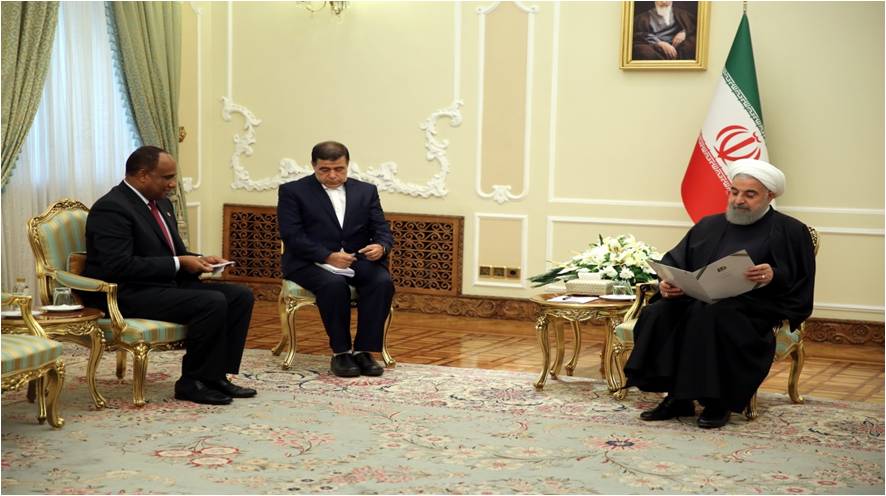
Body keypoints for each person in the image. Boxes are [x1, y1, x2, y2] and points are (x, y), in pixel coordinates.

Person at [623, 159, 815, 428]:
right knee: (659, 312)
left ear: (770, 196)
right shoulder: (709, 224)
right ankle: (677, 397)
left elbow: (800, 277)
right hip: (698, 299)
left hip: (753, 306)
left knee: (711, 314)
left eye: (749, 194)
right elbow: (676, 261)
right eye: (734, 192)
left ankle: (717, 401)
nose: (739, 200)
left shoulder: (790, 230)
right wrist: (667, 283)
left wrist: (774, 274)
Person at [83, 146, 256, 405]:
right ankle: (191, 383)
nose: (173, 184)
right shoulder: (111, 208)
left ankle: (216, 376)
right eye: (167, 177)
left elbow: (173, 252)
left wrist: (200, 259)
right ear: (143, 175)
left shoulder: (161, 203)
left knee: (240, 296)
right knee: (211, 302)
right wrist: (179, 263)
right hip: (125, 293)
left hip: (161, 284)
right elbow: (117, 266)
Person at [277, 141, 394, 378]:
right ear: (313, 165)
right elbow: (292, 235)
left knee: (381, 281)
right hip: (309, 262)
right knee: (333, 285)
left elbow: (381, 228)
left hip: (354, 259)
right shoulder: (292, 191)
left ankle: (363, 351)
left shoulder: (366, 191)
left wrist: (381, 246)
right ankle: (341, 353)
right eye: (325, 170)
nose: (332, 175)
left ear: (347, 165)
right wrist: (327, 256)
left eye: (339, 169)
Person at [632, 1, 697, 61]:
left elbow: (694, 27)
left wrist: (684, 33)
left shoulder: (682, 14)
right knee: (642, 51)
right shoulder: (642, 18)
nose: (664, 2)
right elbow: (639, 34)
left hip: (678, 47)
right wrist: (659, 43)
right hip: (654, 48)